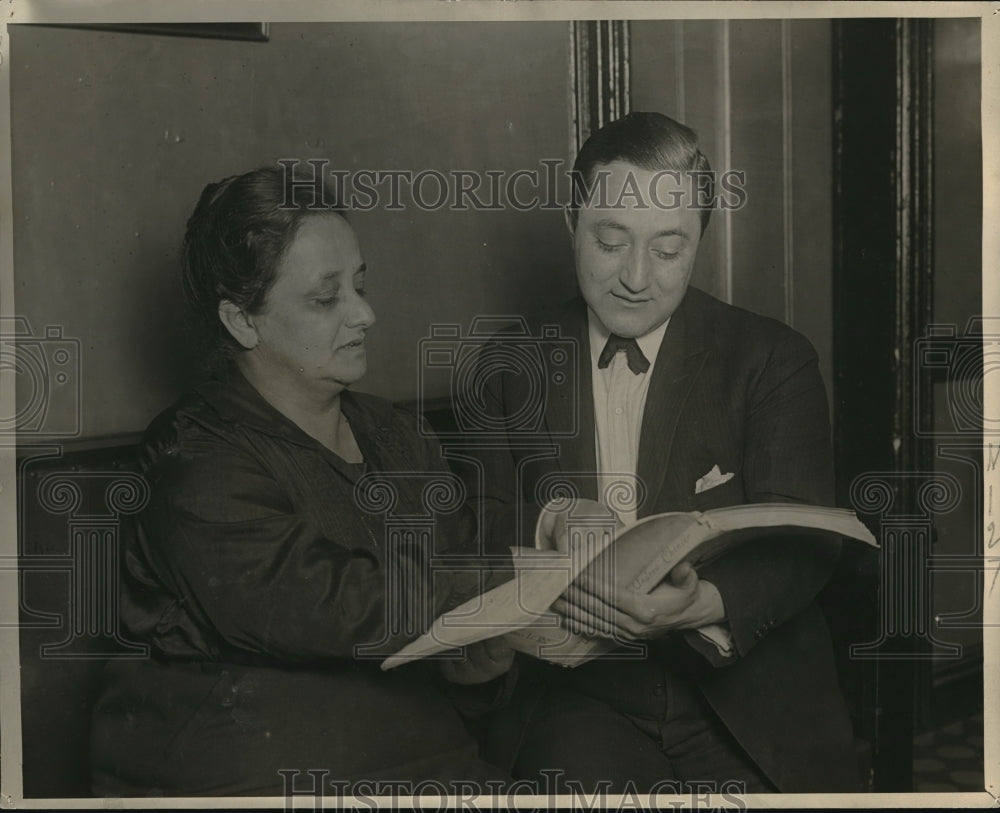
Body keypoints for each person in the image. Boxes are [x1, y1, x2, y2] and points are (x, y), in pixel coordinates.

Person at [89, 167, 517, 797]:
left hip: (421, 764)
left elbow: (452, 599)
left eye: (361, 285)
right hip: (247, 779)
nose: (365, 314)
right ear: (241, 321)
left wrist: (471, 666)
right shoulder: (192, 457)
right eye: (326, 298)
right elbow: (327, 601)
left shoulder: (398, 437)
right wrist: (523, 574)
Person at [473, 112, 859, 793]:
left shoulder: (772, 359)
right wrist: (547, 520)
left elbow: (807, 541)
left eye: (668, 249)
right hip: (581, 697)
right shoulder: (510, 361)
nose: (635, 277)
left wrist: (702, 602)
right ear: (572, 225)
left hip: (747, 690)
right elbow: (475, 529)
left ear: (701, 243)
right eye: (610, 241)